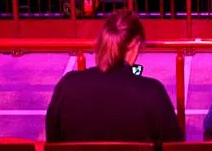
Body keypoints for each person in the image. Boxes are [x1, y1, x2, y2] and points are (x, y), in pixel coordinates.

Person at [46, 10, 181, 144]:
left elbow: (52, 140)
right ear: (135, 43)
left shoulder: (68, 86)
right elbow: (175, 145)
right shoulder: (153, 92)